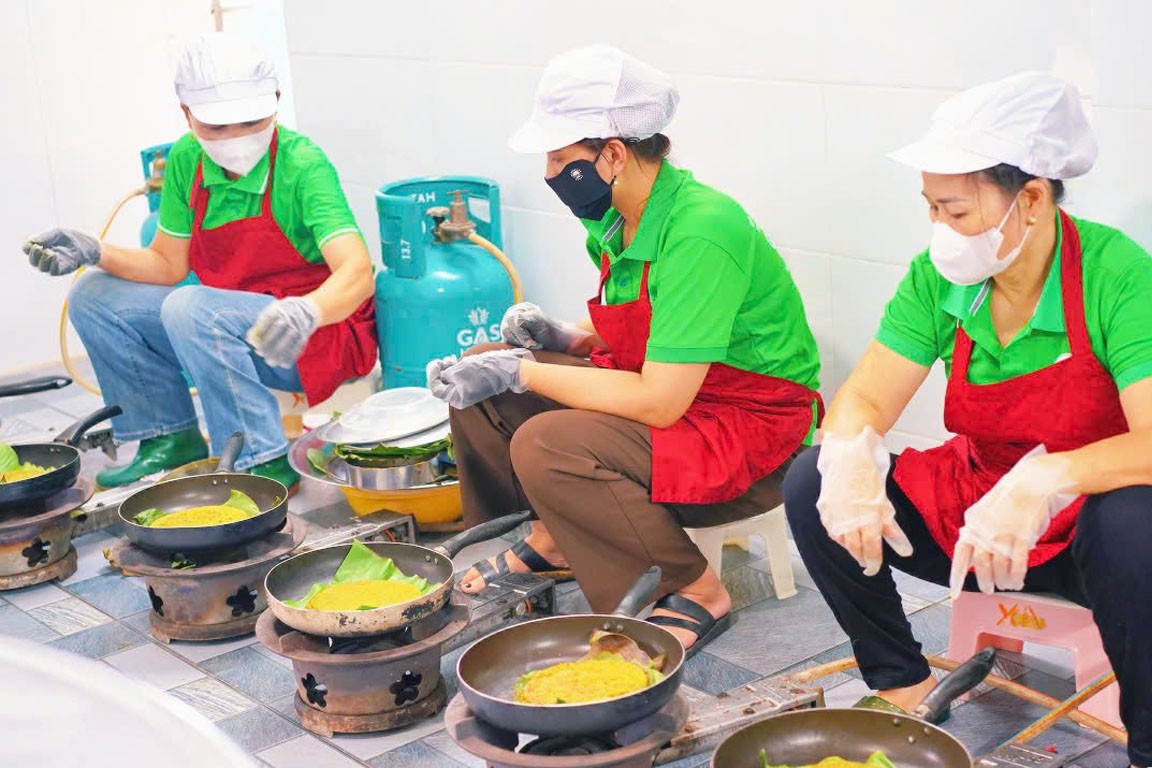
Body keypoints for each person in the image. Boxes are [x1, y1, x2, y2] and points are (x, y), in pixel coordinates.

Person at [782, 71, 1152, 765]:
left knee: (1136, 521)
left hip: (1089, 537)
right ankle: (902, 684)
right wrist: (850, 456)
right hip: (978, 520)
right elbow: (867, 398)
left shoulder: (1117, 275)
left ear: (1031, 200)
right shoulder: (941, 278)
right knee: (812, 479)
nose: (941, 232)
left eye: (956, 211)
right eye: (932, 210)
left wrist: (1046, 479)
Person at [427, 45, 822, 656]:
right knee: (483, 372)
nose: (549, 173)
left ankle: (693, 589)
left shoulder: (701, 230)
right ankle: (554, 538)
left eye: (560, 158)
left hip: (750, 430)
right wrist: (564, 339)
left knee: (547, 442)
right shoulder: (617, 218)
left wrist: (524, 371)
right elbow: (654, 333)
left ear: (612, 154)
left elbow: (660, 401)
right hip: (685, 395)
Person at [22, 32, 376, 490]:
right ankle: (167, 437)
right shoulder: (186, 160)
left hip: (312, 337)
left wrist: (307, 310)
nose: (236, 139)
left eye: (251, 121)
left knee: (190, 307)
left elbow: (357, 272)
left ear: (276, 102)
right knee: (94, 295)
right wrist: (96, 251)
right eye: (217, 127)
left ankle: (262, 458)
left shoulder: (302, 164)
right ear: (186, 113)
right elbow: (167, 264)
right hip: (224, 325)